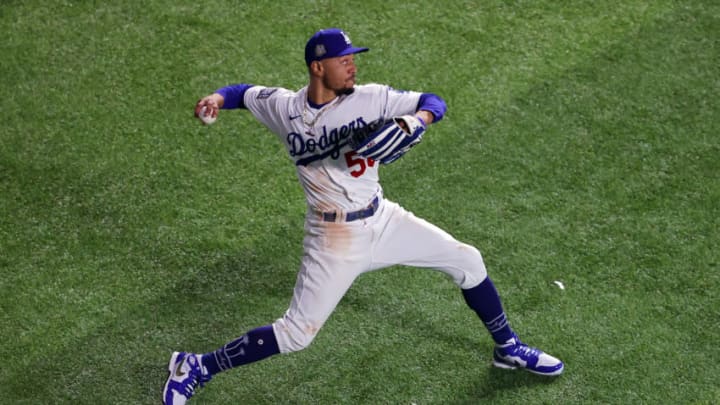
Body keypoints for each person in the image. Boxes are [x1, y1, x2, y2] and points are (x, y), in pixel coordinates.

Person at [163, 28, 564, 405]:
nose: (353, 65)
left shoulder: (372, 97)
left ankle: (507, 348)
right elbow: (243, 93)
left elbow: (434, 100)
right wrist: (216, 98)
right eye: (344, 59)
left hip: (384, 219)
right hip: (332, 238)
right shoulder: (284, 109)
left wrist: (416, 119)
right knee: (297, 334)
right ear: (318, 67)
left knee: (467, 260)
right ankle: (196, 366)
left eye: (354, 57)